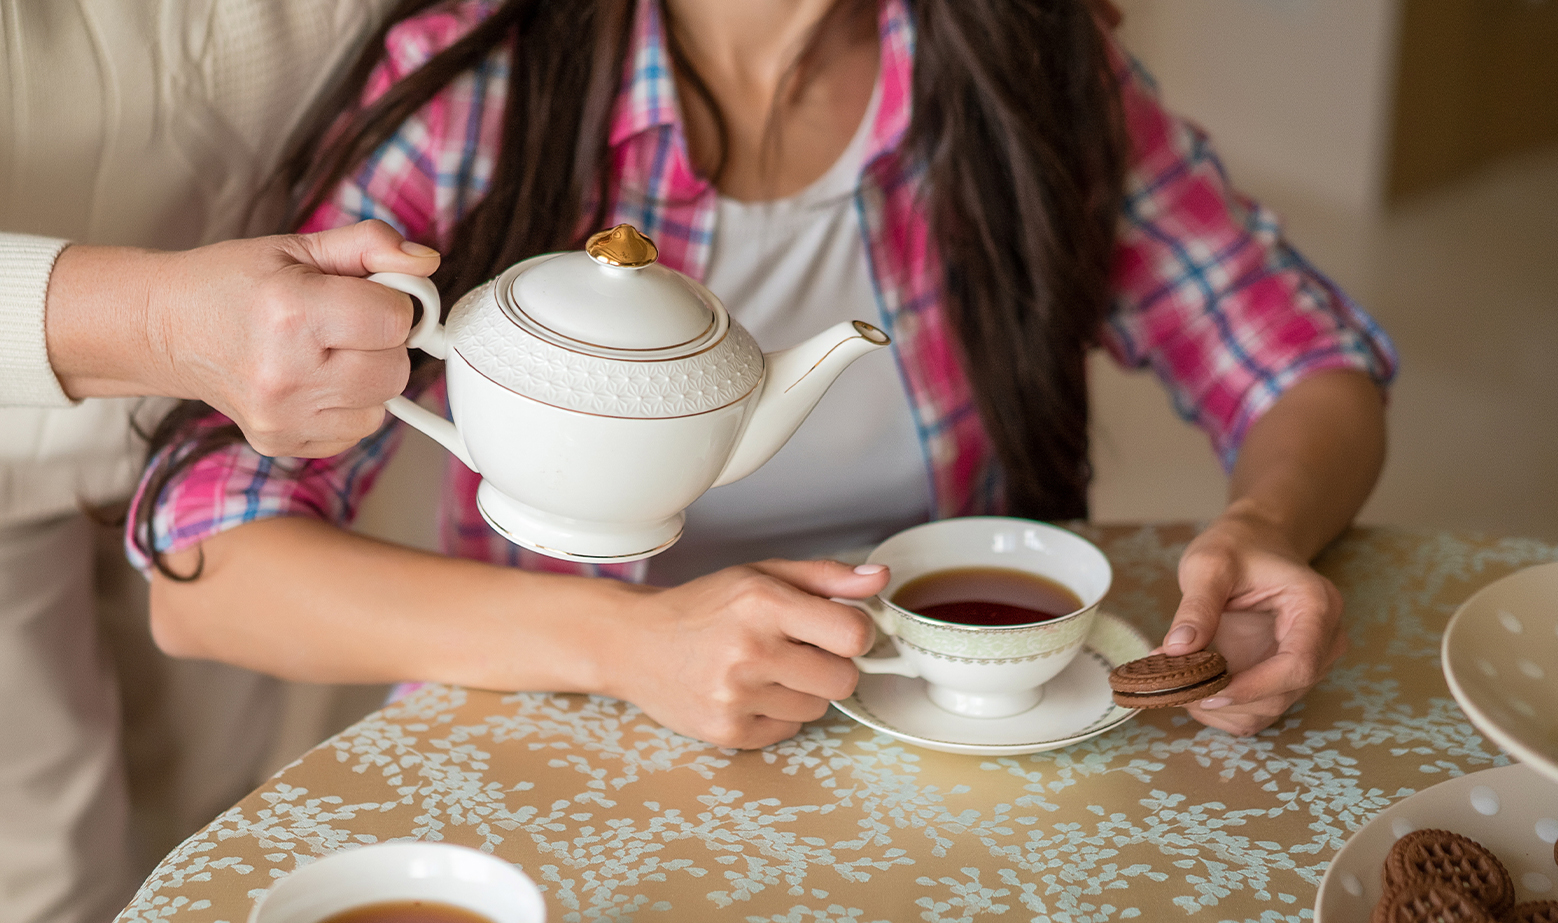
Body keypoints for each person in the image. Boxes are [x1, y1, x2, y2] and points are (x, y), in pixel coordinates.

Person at [127, 0, 1395, 757]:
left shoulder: (1040, 75)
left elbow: (1303, 357)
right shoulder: (483, 91)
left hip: (964, 749)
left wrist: (1266, 526)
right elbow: (207, 571)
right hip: (564, 744)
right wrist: (626, 645)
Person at [0, 4, 450, 923]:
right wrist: (156, 319)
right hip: (95, 372)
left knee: (232, 854)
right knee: (32, 903)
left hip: (274, 415)